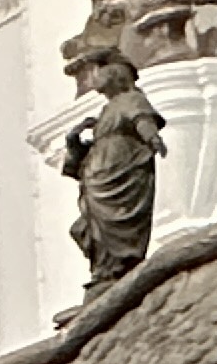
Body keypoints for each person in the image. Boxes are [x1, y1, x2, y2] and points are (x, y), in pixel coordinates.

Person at [62, 54, 166, 289]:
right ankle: (104, 268)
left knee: (121, 218)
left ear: (116, 77)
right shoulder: (106, 111)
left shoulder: (130, 99)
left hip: (122, 169)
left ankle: (120, 265)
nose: (96, 80)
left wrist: (153, 137)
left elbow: (142, 119)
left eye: (103, 74)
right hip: (98, 173)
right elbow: (84, 154)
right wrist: (74, 139)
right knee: (89, 225)